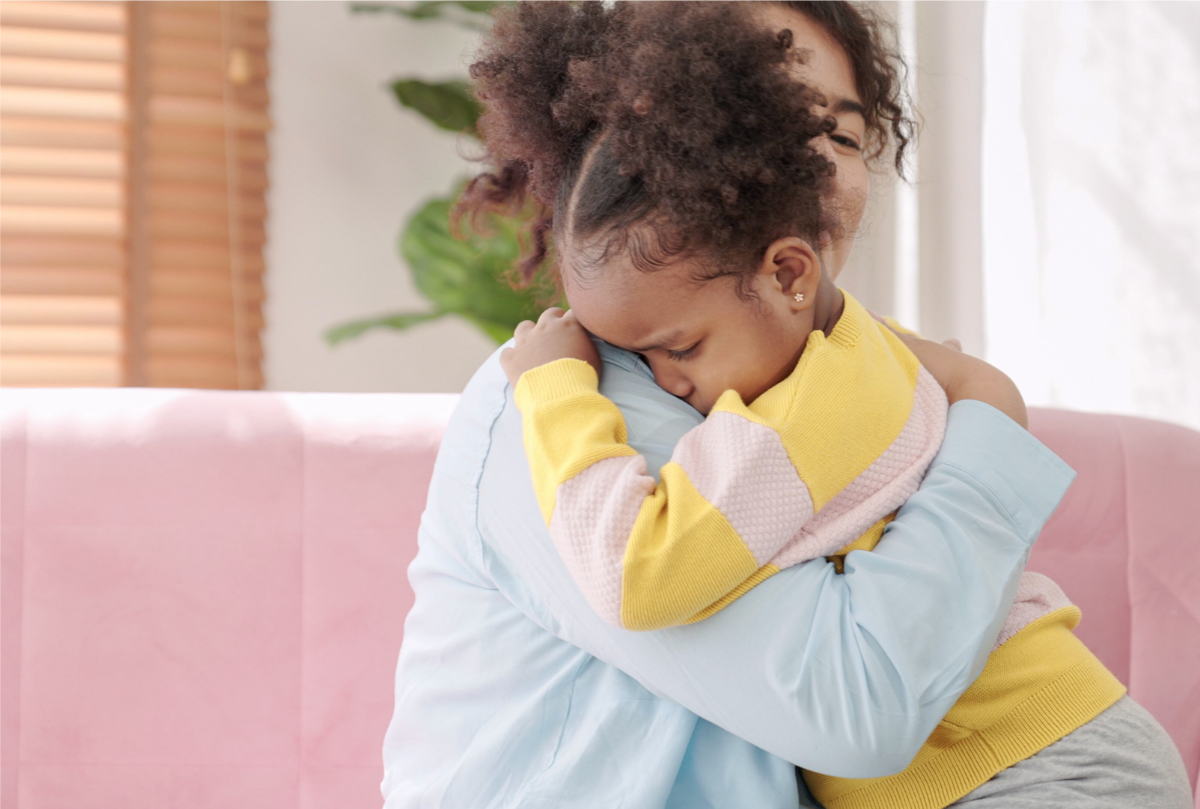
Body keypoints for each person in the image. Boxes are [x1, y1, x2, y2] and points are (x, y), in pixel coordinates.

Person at [379, 3, 1185, 807]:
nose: (817, 173)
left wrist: (985, 405)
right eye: (758, 127)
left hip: (1033, 762)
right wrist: (988, 424)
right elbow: (855, 704)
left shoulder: (802, 379)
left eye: (840, 134)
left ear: (788, 273)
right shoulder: (578, 400)